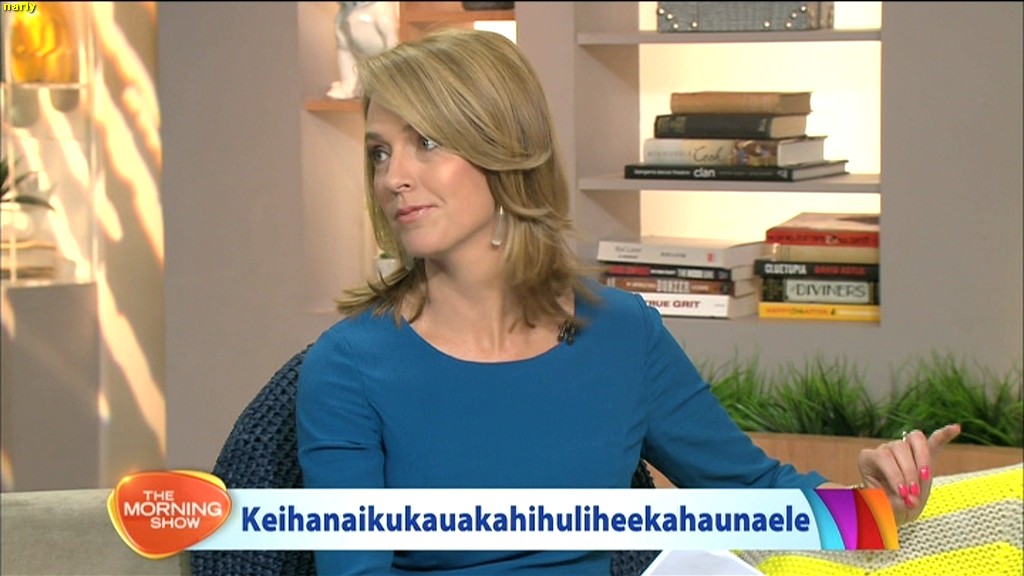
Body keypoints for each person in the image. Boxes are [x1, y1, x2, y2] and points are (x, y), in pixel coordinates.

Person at [296, 28, 961, 576]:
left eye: (426, 143)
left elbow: (752, 493)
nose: (394, 177)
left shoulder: (620, 334)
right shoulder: (350, 366)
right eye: (379, 153)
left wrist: (877, 505)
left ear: (504, 148)